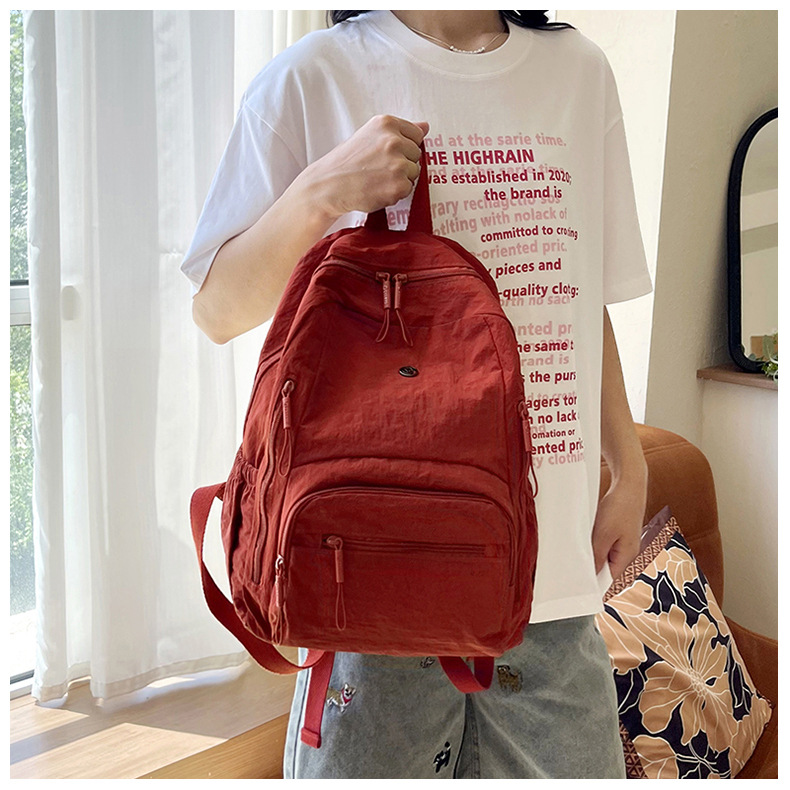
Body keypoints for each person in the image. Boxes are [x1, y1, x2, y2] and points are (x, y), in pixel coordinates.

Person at [181, 10, 652, 779]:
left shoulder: (578, 73)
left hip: (550, 591)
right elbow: (216, 309)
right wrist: (321, 191)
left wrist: (628, 467)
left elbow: (578, 292)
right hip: (367, 588)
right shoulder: (313, 74)